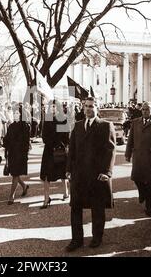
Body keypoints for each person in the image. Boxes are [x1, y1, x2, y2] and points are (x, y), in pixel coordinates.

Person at [65, 97, 116, 251]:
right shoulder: (78, 126)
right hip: (79, 174)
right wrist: (68, 169)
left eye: (92, 106)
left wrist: (107, 172)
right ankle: (76, 240)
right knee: (75, 207)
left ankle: (97, 237)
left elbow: (110, 150)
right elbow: (72, 149)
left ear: (97, 108)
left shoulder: (105, 125)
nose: (88, 109)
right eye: (86, 106)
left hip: (97, 175)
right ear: (83, 107)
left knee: (97, 208)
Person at [125, 102, 151, 217]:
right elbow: (130, 139)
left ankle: (149, 207)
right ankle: (142, 192)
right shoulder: (135, 122)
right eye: (143, 109)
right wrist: (128, 153)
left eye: (147, 109)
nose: (145, 111)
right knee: (137, 178)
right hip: (138, 156)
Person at [40, 100, 70, 208]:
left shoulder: (63, 119)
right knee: (46, 176)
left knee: (62, 174)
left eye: (54, 107)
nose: (52, 109)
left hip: (60, 150)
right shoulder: (47, 120)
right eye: (50, 107)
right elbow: (44, 136)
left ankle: (66, 191)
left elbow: (66, 137)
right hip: (48, 151)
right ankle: (46, 198)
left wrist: (60, 145)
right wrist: (51, 143)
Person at [3, 105, 31, 204]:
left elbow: (26, 142)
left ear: (21, 114)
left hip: (20, 154)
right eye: (14, 113)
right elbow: (6, 139)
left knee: (15, 174)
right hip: (11, 153)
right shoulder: (11, 126)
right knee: (15, 173)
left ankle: (11, 196)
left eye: (17, 113)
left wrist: (24, 153)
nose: (15, 115)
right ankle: (24, 186)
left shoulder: (25, 126)